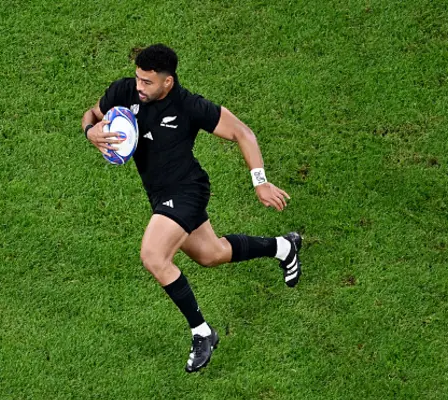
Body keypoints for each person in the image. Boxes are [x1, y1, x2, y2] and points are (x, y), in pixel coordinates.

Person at [81, 44, 302, 373]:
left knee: (153, 256)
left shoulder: (188, 106)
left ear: (167, 82)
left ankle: (202, 332)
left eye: (148, 82)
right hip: (159, 196)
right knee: (210, 254)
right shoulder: (124, 90)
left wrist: (260, 182)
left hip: (187, 191)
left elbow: (242, 132)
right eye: (138, 79)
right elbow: (92, 114)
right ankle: (284, 247)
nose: (139, 87)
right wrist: (91, 132)